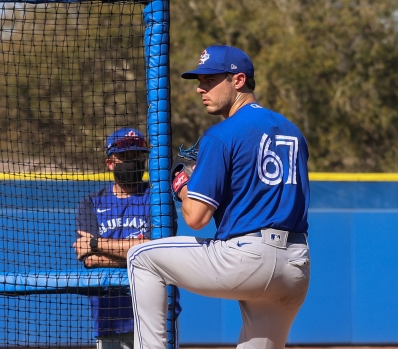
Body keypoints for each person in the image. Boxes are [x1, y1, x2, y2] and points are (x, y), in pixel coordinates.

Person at [127, 45, 311, 349]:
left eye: (210, 80)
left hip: (247, 258)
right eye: (200, 80)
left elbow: (196, 218)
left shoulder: (222, 134)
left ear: (238, 80)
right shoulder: (293, 131)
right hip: (295, 266)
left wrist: (183, 184)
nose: (201, 88)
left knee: (141, 258)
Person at [73, 127, 180, 349]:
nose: (133, 162)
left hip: (156, 314)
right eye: (125, 156)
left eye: (137, 156)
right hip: (109, 316)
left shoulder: (158, 201)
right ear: (110, 162)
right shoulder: (91, 204)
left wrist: (97, 244)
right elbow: (90, 260)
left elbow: (157, 253)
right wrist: (141, 254)